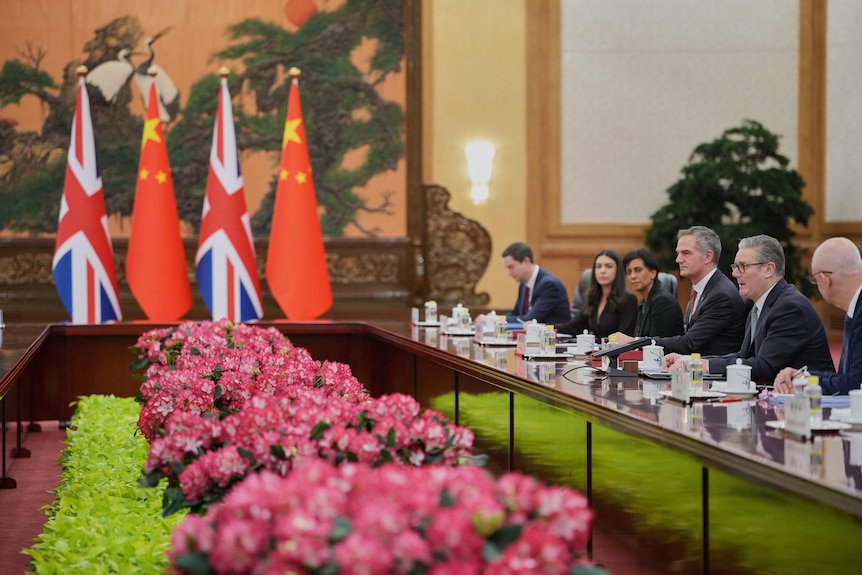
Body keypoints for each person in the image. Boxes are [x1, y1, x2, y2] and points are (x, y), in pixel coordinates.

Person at [665, 234, 835, 382]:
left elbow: (764, 366)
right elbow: (743, 356)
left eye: (743, 266)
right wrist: (690, 361)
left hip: (811, 405)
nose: (735, 273)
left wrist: (704, 365)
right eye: (735, 266)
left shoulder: (790, 308)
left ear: (768, 269)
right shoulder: (760, 304)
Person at [615, 226, 745, 355]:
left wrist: (635, 342)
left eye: (686, 253)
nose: (678, 259)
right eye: (678, 253)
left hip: (714, 373)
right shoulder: (701, 289)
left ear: (707, 256)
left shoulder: (721, 295)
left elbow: (690, 343)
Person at [774, 237, 862, 395]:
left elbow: (855, 384)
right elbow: (847, 378)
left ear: (825, 279)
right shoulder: (856, 307)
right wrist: (804, 376)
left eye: (815, 280)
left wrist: (803, 382)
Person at [484, 242, 572, 325]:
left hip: (555, 338)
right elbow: (516, 312)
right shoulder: (524, 284)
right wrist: (495, 319)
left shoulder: (549, 285)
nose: (509, 273)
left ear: (526, 262)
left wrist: (495, 320)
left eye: (511, 267)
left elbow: (532, 319)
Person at [555, 249, 637, 338]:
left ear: (618, 270)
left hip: (616, 350)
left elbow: (625, 338)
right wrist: (545, 327)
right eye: (598, 266)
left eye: (609, 266)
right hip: (595, 351)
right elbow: (573, 327)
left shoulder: (628, 299)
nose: (602, 271)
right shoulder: (593, 297)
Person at [622, 248, 684, 337]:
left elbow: (656, 343)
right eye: (629, 272)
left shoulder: (662, 301)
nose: (632, 276)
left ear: (653, 273)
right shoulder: (644, 302)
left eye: (638, 270)